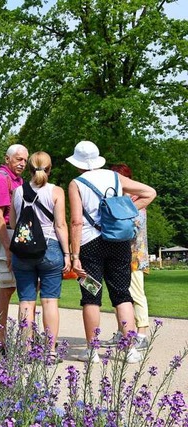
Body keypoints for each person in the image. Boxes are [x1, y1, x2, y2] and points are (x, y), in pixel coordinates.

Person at [67, 141, 156, 364]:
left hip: (89, 245)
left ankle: (92, 350)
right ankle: (130, 349)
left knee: (91, 296)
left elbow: (77, 221)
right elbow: (149, 192)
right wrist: (126, 210)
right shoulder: (115, 178)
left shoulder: (76, 183)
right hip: (118, 242)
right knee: (122, 294)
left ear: (78, 163)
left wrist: (74, 254)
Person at [9, 151, 71, 360]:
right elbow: (60, 225)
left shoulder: (18, 192)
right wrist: (68, 254)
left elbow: (12, 223)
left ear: (29, 169)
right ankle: (51, 351)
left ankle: (26, 351)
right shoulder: (56, 191)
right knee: (49, 301)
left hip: (23, 250)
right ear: (49, 168)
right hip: (50, 247)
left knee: (26, 302)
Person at [102, 164, 150, 349]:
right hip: (118, 255)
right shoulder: (120, 201)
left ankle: (142, 334)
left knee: (136, 295)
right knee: (120, 296)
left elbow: (133, 229)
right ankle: (123, 332)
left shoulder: (138, 202)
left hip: (134, 256)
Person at [0, 143, 28, 348]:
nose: (22, 163)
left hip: (17, 234)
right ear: (7, 159)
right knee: (7, 287)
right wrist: (9, 247)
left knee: (18, 287)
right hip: (7, 235)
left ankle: (21, 337)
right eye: (19, 159)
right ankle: (1, 340)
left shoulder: (17, 181)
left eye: (25, 160)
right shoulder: (0, 179)